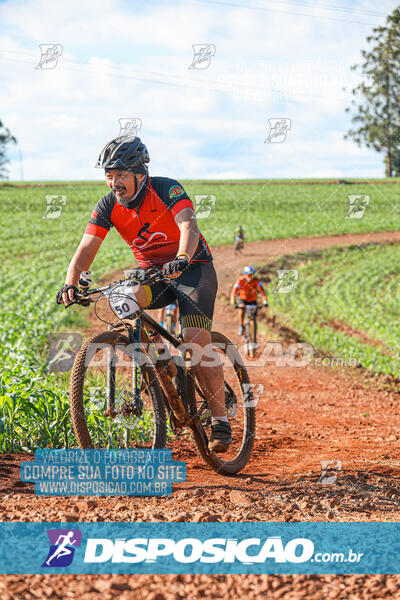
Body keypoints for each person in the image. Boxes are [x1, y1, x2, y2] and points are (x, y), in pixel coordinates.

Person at [56, 136, 231, 452]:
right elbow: (86, 247)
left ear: (139, 173)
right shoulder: (108, 205)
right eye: (108, 175)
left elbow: (188, 225)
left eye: (120, 174)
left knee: (193, 338)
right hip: (153, 274)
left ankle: (220, 419)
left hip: (192, 267)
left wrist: (182, 257)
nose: (113, 182)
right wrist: (70, 282)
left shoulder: (166, 188)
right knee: (124, 300)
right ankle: (164, 364)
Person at [230, 266, 268, 335]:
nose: (251, 277)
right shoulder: (240, 280)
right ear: (244, 275)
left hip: (252, 300)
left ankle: (253, 330)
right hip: (243, 299)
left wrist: (265, 301)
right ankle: (241, 325)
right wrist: (234, 303)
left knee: (254, 316)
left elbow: (262, 292)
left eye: (253, 275)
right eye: (249, 275)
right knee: (242, 309)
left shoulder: (256, 280)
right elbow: (233, 293)